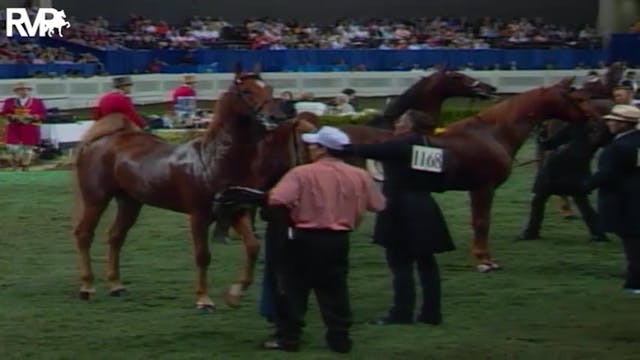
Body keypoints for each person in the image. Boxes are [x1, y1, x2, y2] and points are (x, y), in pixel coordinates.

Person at [263, 126, 386, 353]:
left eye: (314, 145)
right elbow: (378, 204)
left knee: (293, 289)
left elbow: (277, 200)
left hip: (304, 238)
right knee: (335, 289)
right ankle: (339, 338)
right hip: (338, 240)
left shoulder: (302, 173)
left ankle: (288, 338)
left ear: (322, 149)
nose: (310, 148)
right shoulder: (360, 175)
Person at [342, 109, 455, 325]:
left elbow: (364, 150)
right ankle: (432, 313)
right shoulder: (435, 148)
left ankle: (401, 313)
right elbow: (442, 183)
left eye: (401, 120)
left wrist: (335, 145)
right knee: (427, 263)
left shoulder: (400, 145)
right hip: (425, 206)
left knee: (400, 263)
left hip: (398, 207)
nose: (396, 123)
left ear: (410, 126)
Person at [518, 119, 610, 242]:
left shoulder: (602, 131)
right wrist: (541, 134)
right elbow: (551, 143)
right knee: (538, 200)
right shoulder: (576, 126)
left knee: (582, 202)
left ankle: (598, 234)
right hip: (554, 170)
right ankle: (531, 232)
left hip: (575, 172)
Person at [582, 105, 640, 294]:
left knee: (632, 245)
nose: (609, 123)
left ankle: (634, 284)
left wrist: (585, 185)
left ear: (625, 124)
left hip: (624, 200)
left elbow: (607, 173)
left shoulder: (617, 147)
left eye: (613, 120)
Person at [0, 82, 47, 171]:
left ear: (30, 91)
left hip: (30, 127)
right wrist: (12, 116)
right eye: (21, 90)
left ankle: (25, 166)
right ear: (16, 92)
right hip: (14, 127)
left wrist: (33, 116)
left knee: (28, 148)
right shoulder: (9, 101)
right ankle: (16, 163)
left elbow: (43, 114)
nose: (24, 91)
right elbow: (3, 113)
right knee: (13, 148)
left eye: (26, 89)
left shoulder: (37, 102)